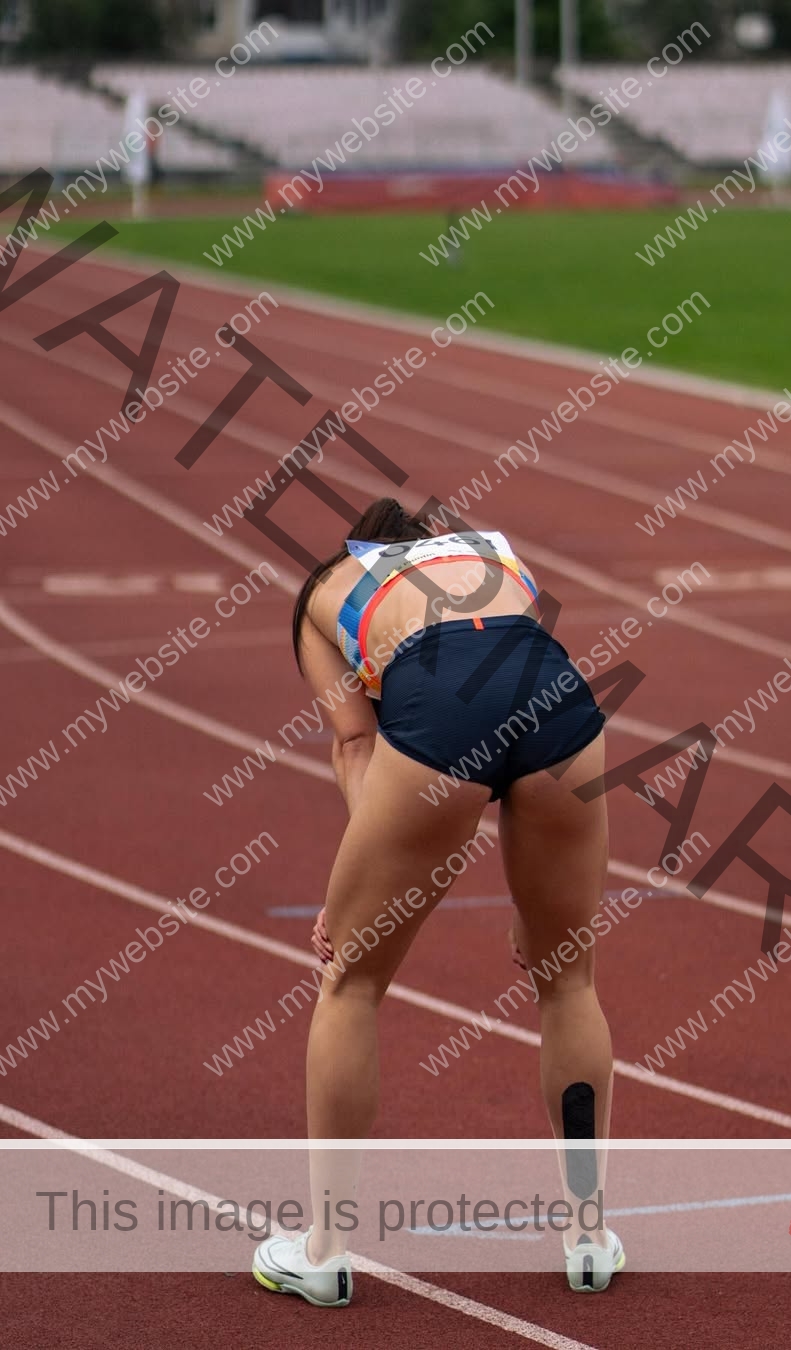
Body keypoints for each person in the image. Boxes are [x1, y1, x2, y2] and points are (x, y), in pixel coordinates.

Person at [252, 498, 624, 1305]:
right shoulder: (495, 553)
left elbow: (356, 740)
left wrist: (363, 884)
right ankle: (590, 1235)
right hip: (557, 700)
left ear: (361, 546)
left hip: (441, 705)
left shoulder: (328, 587)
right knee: (569, 980)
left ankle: (322, 1250)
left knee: (350, 983)